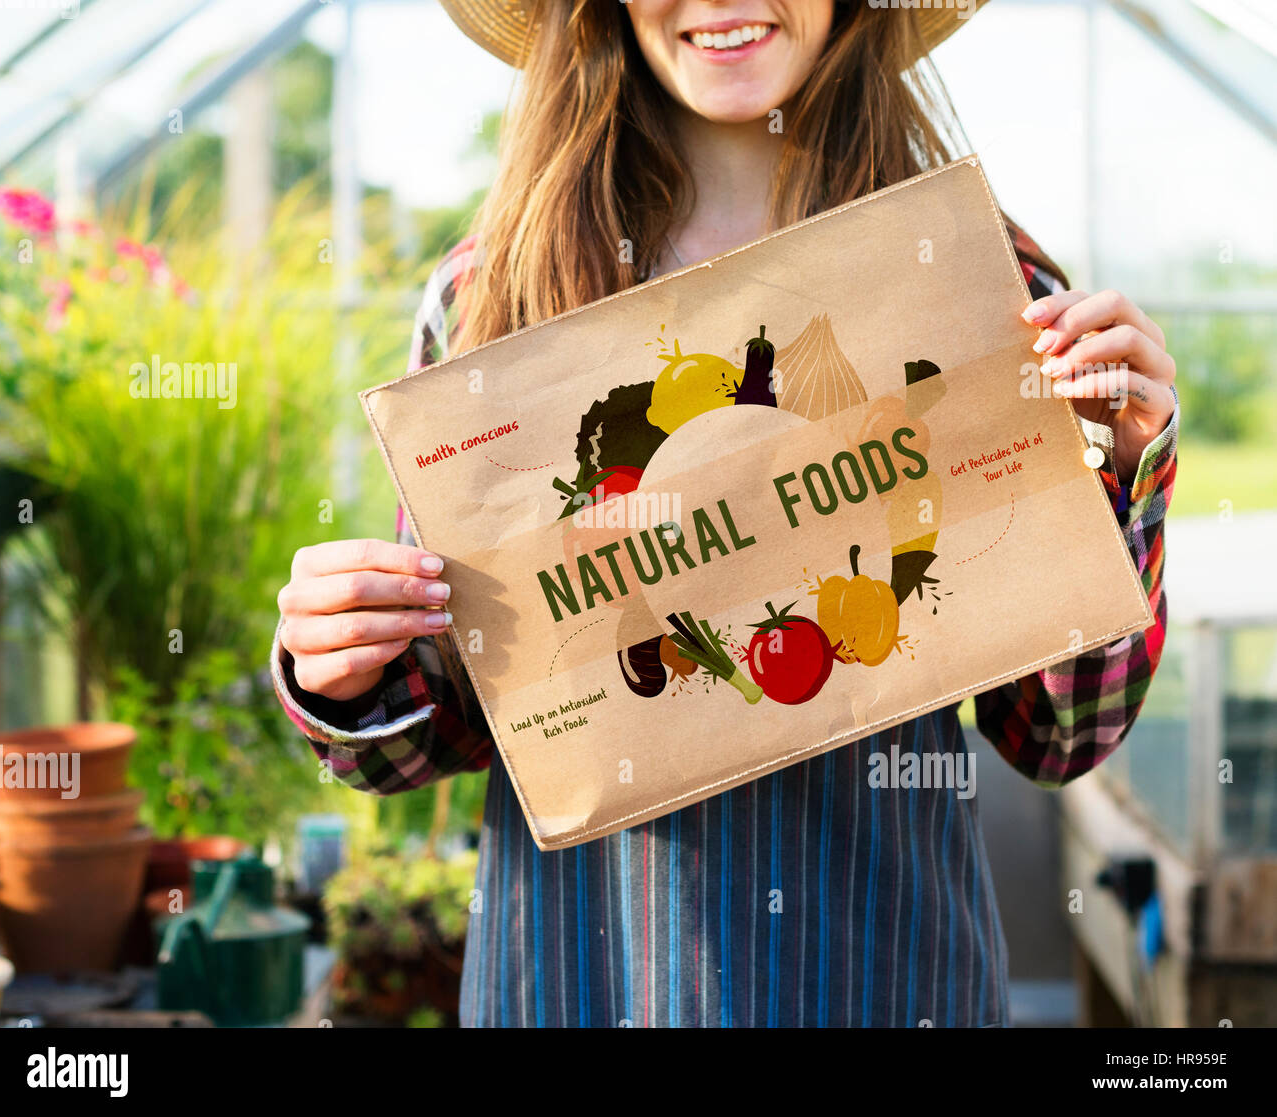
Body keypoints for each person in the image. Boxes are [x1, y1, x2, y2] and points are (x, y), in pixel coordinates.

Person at [273, 0, 1178, 1027]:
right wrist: (343, 664)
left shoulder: (981, 285)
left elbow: (1057, 732)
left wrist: (1124, 468)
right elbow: (448, 725)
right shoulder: (493, 297)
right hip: (585, 983)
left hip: (881, 980)